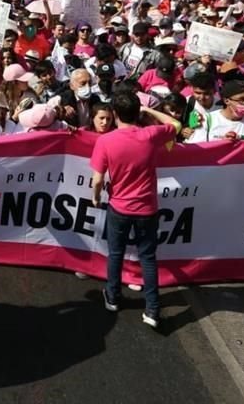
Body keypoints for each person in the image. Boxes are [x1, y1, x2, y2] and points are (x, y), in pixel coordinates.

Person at [91, 91, 181, 330]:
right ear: (136, 112)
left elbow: (98, 179)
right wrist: (149, 111)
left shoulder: (106, 141)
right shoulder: (150, 135)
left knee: (116, 253)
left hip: (118, 207)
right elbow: (175, 124)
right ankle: (152, 309)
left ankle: (112, 297)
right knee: (148, 258)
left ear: (114, 114)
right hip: (147, 208)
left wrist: (95, 197)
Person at [186, 78, 244, 142]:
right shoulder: (207, 120)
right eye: (242, 99)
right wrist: (222, 143)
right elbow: (198, 148)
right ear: (227, 101)